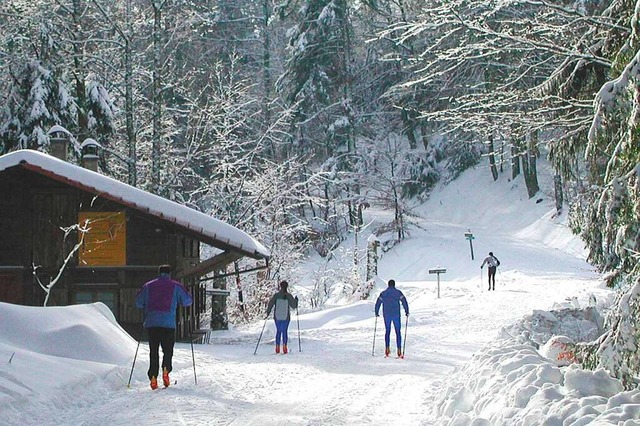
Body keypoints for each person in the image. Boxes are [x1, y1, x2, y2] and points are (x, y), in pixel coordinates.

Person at [135, 264, 193, 390]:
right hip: (168, 324)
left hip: (152, 324)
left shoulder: (148, 286)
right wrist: (187, 292)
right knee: (167, 350)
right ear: (169, 273)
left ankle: (153, 376)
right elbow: (187, 301)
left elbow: (138, 303)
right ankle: (166, 368)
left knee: (153, 351)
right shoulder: (176, 286)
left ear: (159, 273)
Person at [374, 279, 409, 357]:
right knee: (398, 332)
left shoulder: (383, 293)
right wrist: (407, 311)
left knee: (387, 331)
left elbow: (378, 302)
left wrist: (376, 312)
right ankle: (399, 350)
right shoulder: (398, 293)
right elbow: (404, 301)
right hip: (396, 314)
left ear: (388, 285)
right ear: (394, 285)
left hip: (386, 314)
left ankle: (387, 349)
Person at [266, 280, 298, 354]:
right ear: (287, 286)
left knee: (278, 331)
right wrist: (296, 300)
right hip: (286, 317)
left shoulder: (276, 295)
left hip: (277, 317)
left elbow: (270, 303)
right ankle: (284, 346)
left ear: (280, 286)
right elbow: (294, 306)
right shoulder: (288, 296)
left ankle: (277, 346)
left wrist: (268, 312)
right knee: (284, 331)